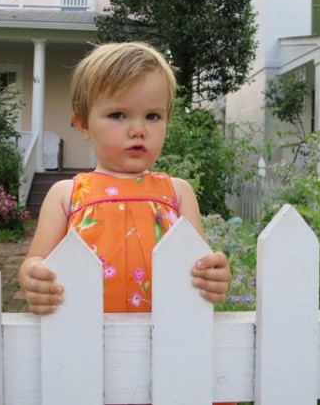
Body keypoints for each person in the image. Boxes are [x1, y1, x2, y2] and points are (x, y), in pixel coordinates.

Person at [18, 42, 234, 403]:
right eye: (118, 115)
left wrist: (216, 274)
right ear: (82, 123)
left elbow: (200, 266)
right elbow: (35, 263)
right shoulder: (66, 195)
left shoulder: (178, 193)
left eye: (152, 116)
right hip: (88, 357)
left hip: (172, 356)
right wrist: (32, 278)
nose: (138, 130)